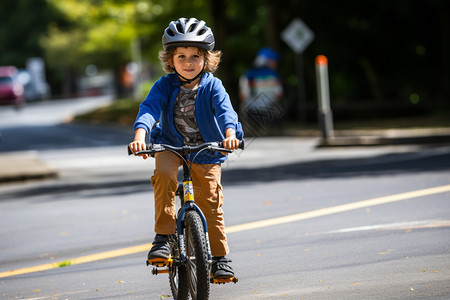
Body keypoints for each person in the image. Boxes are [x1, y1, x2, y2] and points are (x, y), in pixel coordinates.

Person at [129, 18, 243, 279]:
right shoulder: (164, 85)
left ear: (207, 58)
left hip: (208, 148)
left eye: (195, 56)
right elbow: (148, 109)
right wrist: (140, 136)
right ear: (171, 59)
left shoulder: (213, 85)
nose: (188, 62)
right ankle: (164, 237)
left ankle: (220, 258)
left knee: (211, 203)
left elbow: (226, 113)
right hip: (170, 144)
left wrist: (229, 136)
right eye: (181, 56)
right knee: (165, 176)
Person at [239, 47, 284, 130]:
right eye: (273, 61)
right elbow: (279, 94)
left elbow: (243, 94)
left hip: (252, 107)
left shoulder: (248, 74)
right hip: (268, 107)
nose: (275, 63)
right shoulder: (273, 75)